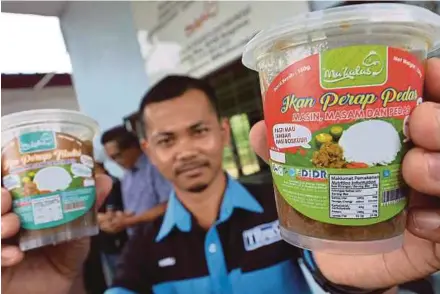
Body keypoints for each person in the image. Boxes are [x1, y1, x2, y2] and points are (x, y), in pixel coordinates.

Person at [1, 57, 439, 293]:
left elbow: (332, 272)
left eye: (199, 131)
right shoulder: (141, 249)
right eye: (168, 140)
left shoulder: (289, 207)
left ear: (224, 133)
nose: (188, 150)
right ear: (151, 153)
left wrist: (362, 279)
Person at [98, 126, 171, 236]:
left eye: (117, 156)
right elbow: (133, 210)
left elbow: (170, 205)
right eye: (112, 159)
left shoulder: (155, 167)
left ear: (133, 147)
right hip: (139, 241)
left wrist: (129, 221)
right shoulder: (127, 176)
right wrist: (119, 218)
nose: (116, 162)